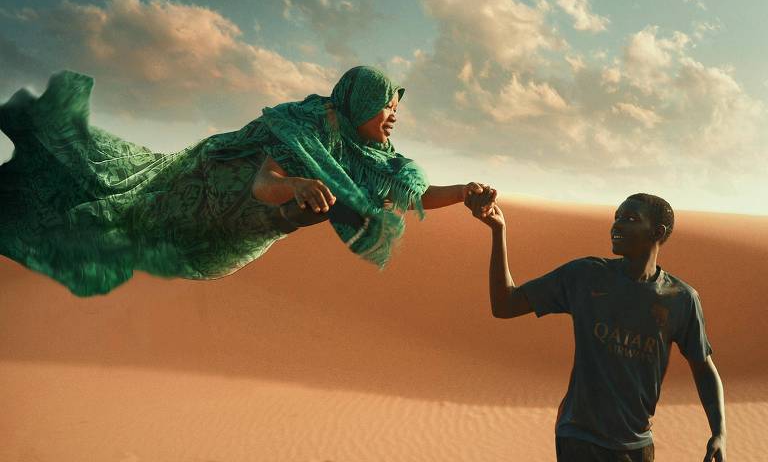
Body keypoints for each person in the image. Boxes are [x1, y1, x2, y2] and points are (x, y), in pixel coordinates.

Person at [0, 66, 484, 297]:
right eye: (386, 107)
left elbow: (413, 194)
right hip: (210, 184)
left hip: (242, 226)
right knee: (115, 210)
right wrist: (295, 186)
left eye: (396, 110)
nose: (392, 117)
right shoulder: (307, 124)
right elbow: (264, 180)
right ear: (358, 103)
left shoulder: (376, 160)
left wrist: (463, 193)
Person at [465, 189, 726, 462]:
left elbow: (704, 368)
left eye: (630, 218)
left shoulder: (681, 299)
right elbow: (505, 304)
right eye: (617, 217)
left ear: (657, 232)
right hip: (579, 437)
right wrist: (498, 231)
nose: (617, 224)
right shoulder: (586, 275)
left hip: (636, 444)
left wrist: (719, 432)